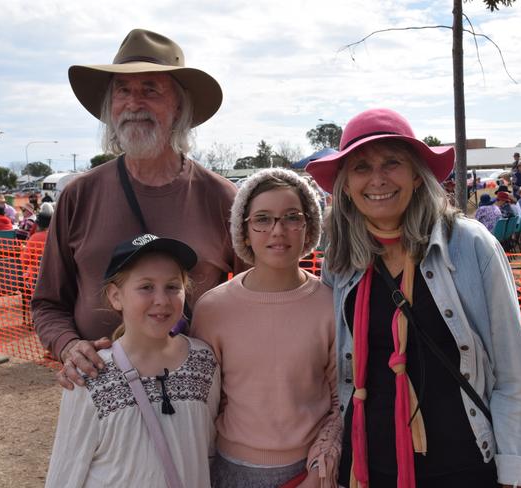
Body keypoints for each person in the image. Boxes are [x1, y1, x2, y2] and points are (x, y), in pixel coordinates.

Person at [306, 108, 521, 488]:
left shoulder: (469, 245)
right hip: (369, 468)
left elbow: (513, 374)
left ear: (415, 174)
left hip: (464, 468)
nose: (377, 179)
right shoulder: (341, 260)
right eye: (361, 168)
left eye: (391, 162)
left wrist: (515, 472)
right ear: (346, 185)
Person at [32, 28, 240, 389]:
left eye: (150, 90)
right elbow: (48, 304)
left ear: (179, 106)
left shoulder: (222, 198)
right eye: (122, 91)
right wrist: (69, 347)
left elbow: (260, 299)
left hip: (197, 401)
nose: (133, 103)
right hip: (100, 399)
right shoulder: (78, 195)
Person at [192, 168, 342, 488]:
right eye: (262, 219)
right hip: (230, 471)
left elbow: (341, 399)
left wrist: (320, 468)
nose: (278, 230)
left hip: (310, 473)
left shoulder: (330, 304)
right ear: (243, 231)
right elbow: (202, 405)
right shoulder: (212, 309)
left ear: (308, 227)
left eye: (291, 217)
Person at [45, 234, 220, 487]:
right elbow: (66, 470)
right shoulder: (90, 374)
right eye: (146, 287)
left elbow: (208, 450)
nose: (161, 299)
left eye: (172, 286)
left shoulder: (204, 362)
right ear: (116, 297)